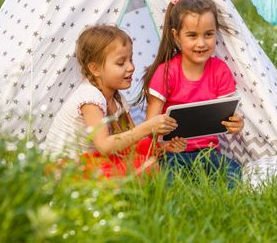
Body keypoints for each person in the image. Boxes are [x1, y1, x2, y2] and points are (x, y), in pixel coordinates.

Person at [42, 24, 186, 178]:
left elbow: (130, 143)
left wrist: (162, 147)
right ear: (95, 69)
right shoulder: (90, 98)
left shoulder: (117, 99)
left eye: (131, 59)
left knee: (146, 156)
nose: (131, 67)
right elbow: (104, 146)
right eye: (120, 63)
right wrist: (147, 127)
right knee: (147, 166)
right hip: (66, 169)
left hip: (90, 161)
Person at [142, 0, 244, 184]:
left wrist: (235, 125)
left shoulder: (219, 70)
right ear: (176, 36)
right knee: (170, 182)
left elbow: (225, 117)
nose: (201, 43)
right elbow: (150, 128)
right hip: (172, 153)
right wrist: (166, 146)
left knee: (234, 175)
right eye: (192, 35)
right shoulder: (166, 72)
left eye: (208, 34)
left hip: (208, 153)